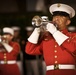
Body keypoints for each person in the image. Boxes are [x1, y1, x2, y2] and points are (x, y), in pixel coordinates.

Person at [25, 3, 76, 75]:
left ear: (68, 22)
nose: (56, 18)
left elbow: (73, 48)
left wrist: (54, 31)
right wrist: (37, 30)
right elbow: (29, 50)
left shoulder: (73, 36)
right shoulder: (47, 38)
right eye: (54, 16)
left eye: (61, 16)